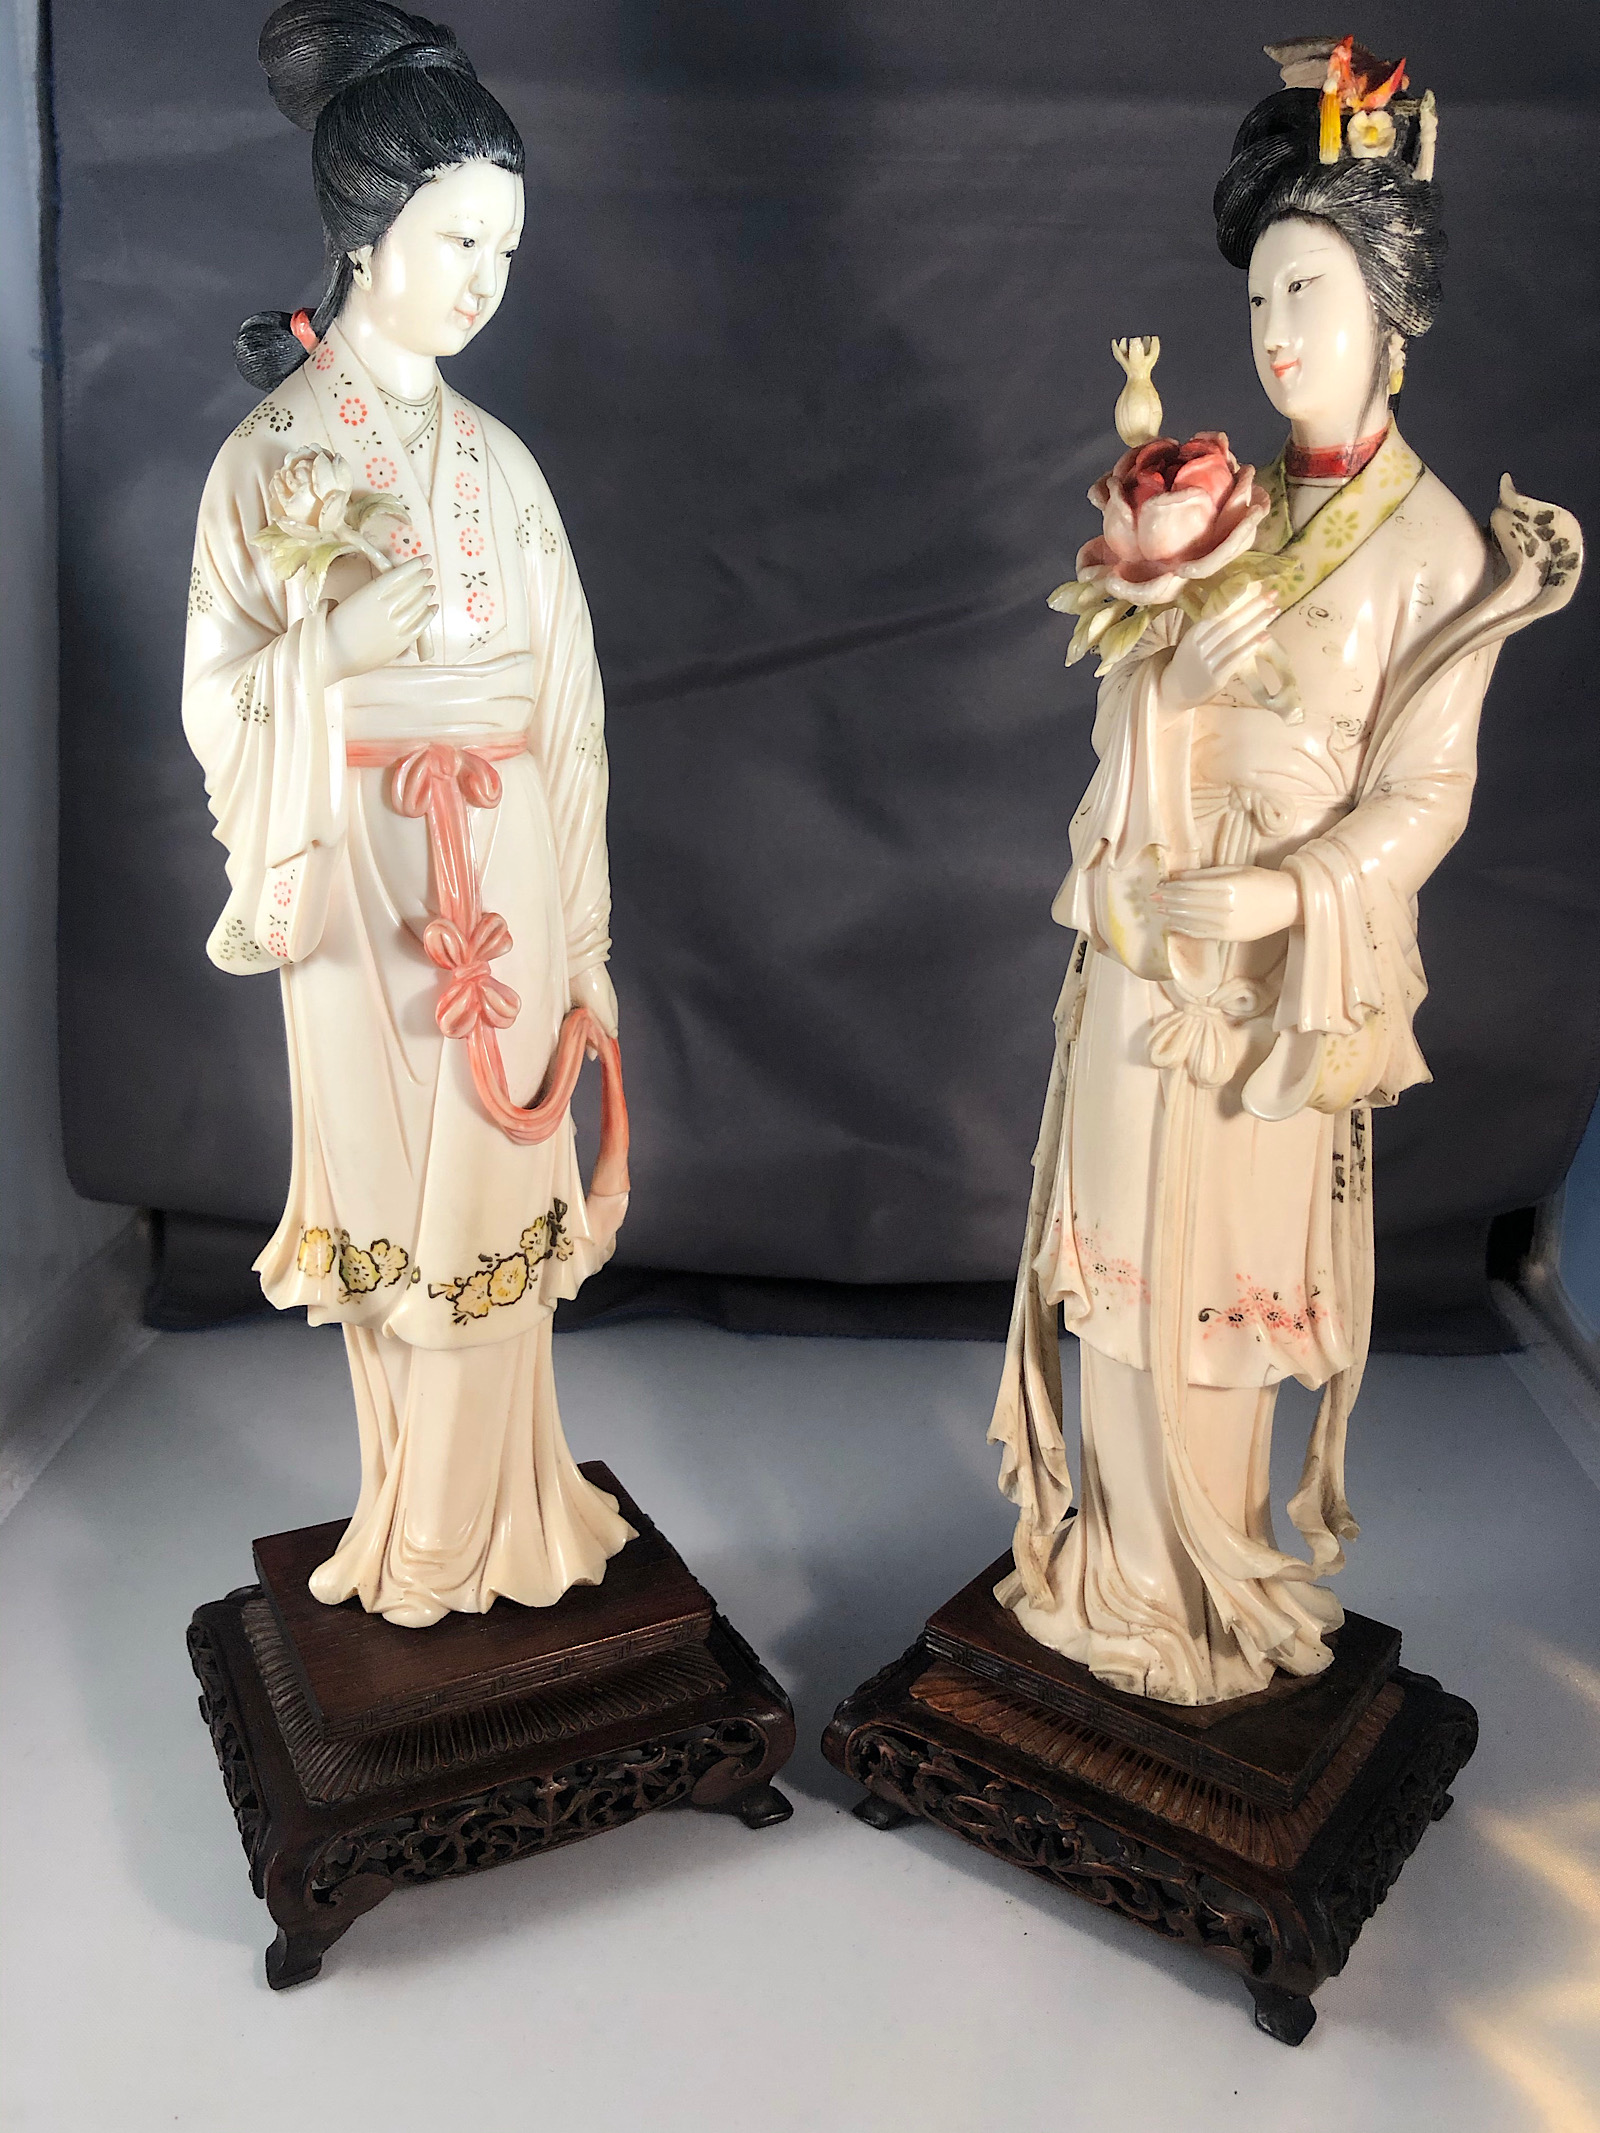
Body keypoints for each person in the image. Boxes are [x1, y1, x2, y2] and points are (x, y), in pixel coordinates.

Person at [988, 40, 1581, 1704]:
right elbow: (1131, 698)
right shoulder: (1223, 504)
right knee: (1117, 1248)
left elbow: (1428, 793)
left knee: (1217, 1269)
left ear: (1393, 316)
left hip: (1271, 962)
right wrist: (1161, 702)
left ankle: (1203, 1580)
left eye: (1308, 292)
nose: (1276, 333)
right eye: (1260, 298)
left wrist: (1285, 892)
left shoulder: (1440, 550)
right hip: (1149, 913)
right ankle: (1111, 1565)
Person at [183, 0, 632, 1627]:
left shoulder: (505, 470)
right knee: (398, 1211)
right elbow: (217, 700)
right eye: (459, 240)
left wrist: (583, 940)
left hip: (505, 870)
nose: (485, 279)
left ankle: (496, 1517)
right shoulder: (270, 460)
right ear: (368, 234)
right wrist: (334, 652)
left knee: (502, 1191)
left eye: (506, 247)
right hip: (359, 878)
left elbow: (568, 715)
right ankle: (415, 1521)